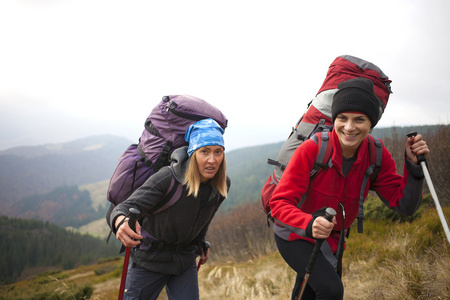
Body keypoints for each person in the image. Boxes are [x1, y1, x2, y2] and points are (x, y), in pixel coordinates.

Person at [270, 77, 430, 300]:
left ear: (370, 124)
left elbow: (404, 204)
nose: (349, 127)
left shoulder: (375, 154)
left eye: (359, 119)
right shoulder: (313, 149)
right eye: (342, 118)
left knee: (311, 292)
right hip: (294, 233)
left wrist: (413, 167)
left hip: (333, 239)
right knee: (331, 290)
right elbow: (278, 203)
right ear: (334, 118)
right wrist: (308, 223)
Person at [109, 118, 231, 300]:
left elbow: (204, 218)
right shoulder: (168, 178)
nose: (212, 160)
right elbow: (125, 207)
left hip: (184, 260)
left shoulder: (221, 185)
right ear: (193, 153)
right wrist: (119, 221)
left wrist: (201, 242)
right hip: (150, 260)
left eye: (218, 152)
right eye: (205, 151)